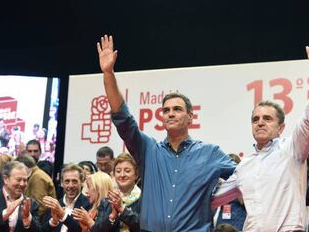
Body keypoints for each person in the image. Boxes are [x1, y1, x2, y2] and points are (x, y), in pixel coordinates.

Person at [97, 35, 236, 231]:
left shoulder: (210, 153)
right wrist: (108, 73)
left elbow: (245, 177)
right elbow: (123, 119)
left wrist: (222, 199)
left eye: (177, 109)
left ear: (191, 117)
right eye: (166, 110)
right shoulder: (148, 150)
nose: (170, 113)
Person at [212, 34, 309, 232]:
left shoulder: (292, 148)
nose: (260, 122)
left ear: (281, 128)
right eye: (256, 119)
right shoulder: (244, 165)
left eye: (267, 118)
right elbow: (216, 199)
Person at [0, 161, 41, 232]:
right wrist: (5, 213)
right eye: (18, 180)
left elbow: (38, 230)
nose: (22, 184)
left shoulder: (32, 204)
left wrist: (27, 221)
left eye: (25, 180)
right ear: (6, 179)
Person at [42, 164, 90, 232]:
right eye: (67, 181)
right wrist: (53, 222)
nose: (70, 185)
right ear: (61, 183)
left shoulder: (88, 205)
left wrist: (63, 214)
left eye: (74, 181)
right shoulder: (55, 206)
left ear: (82, 182)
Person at [16, 155, 57, 221]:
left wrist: (30, 221)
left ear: (24, 166)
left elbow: (40, 206)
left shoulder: (37, 177)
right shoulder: (35, 175)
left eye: (18, 169)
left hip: (43, 221)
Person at [108, 153, 140, 232]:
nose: (122, 175)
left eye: (127, 171)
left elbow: (145, 227)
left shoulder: (146, 199)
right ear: (114, 175)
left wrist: (122, 209)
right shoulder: (106, 200)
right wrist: (112, 217)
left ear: (136, 174)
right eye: (118, 171)